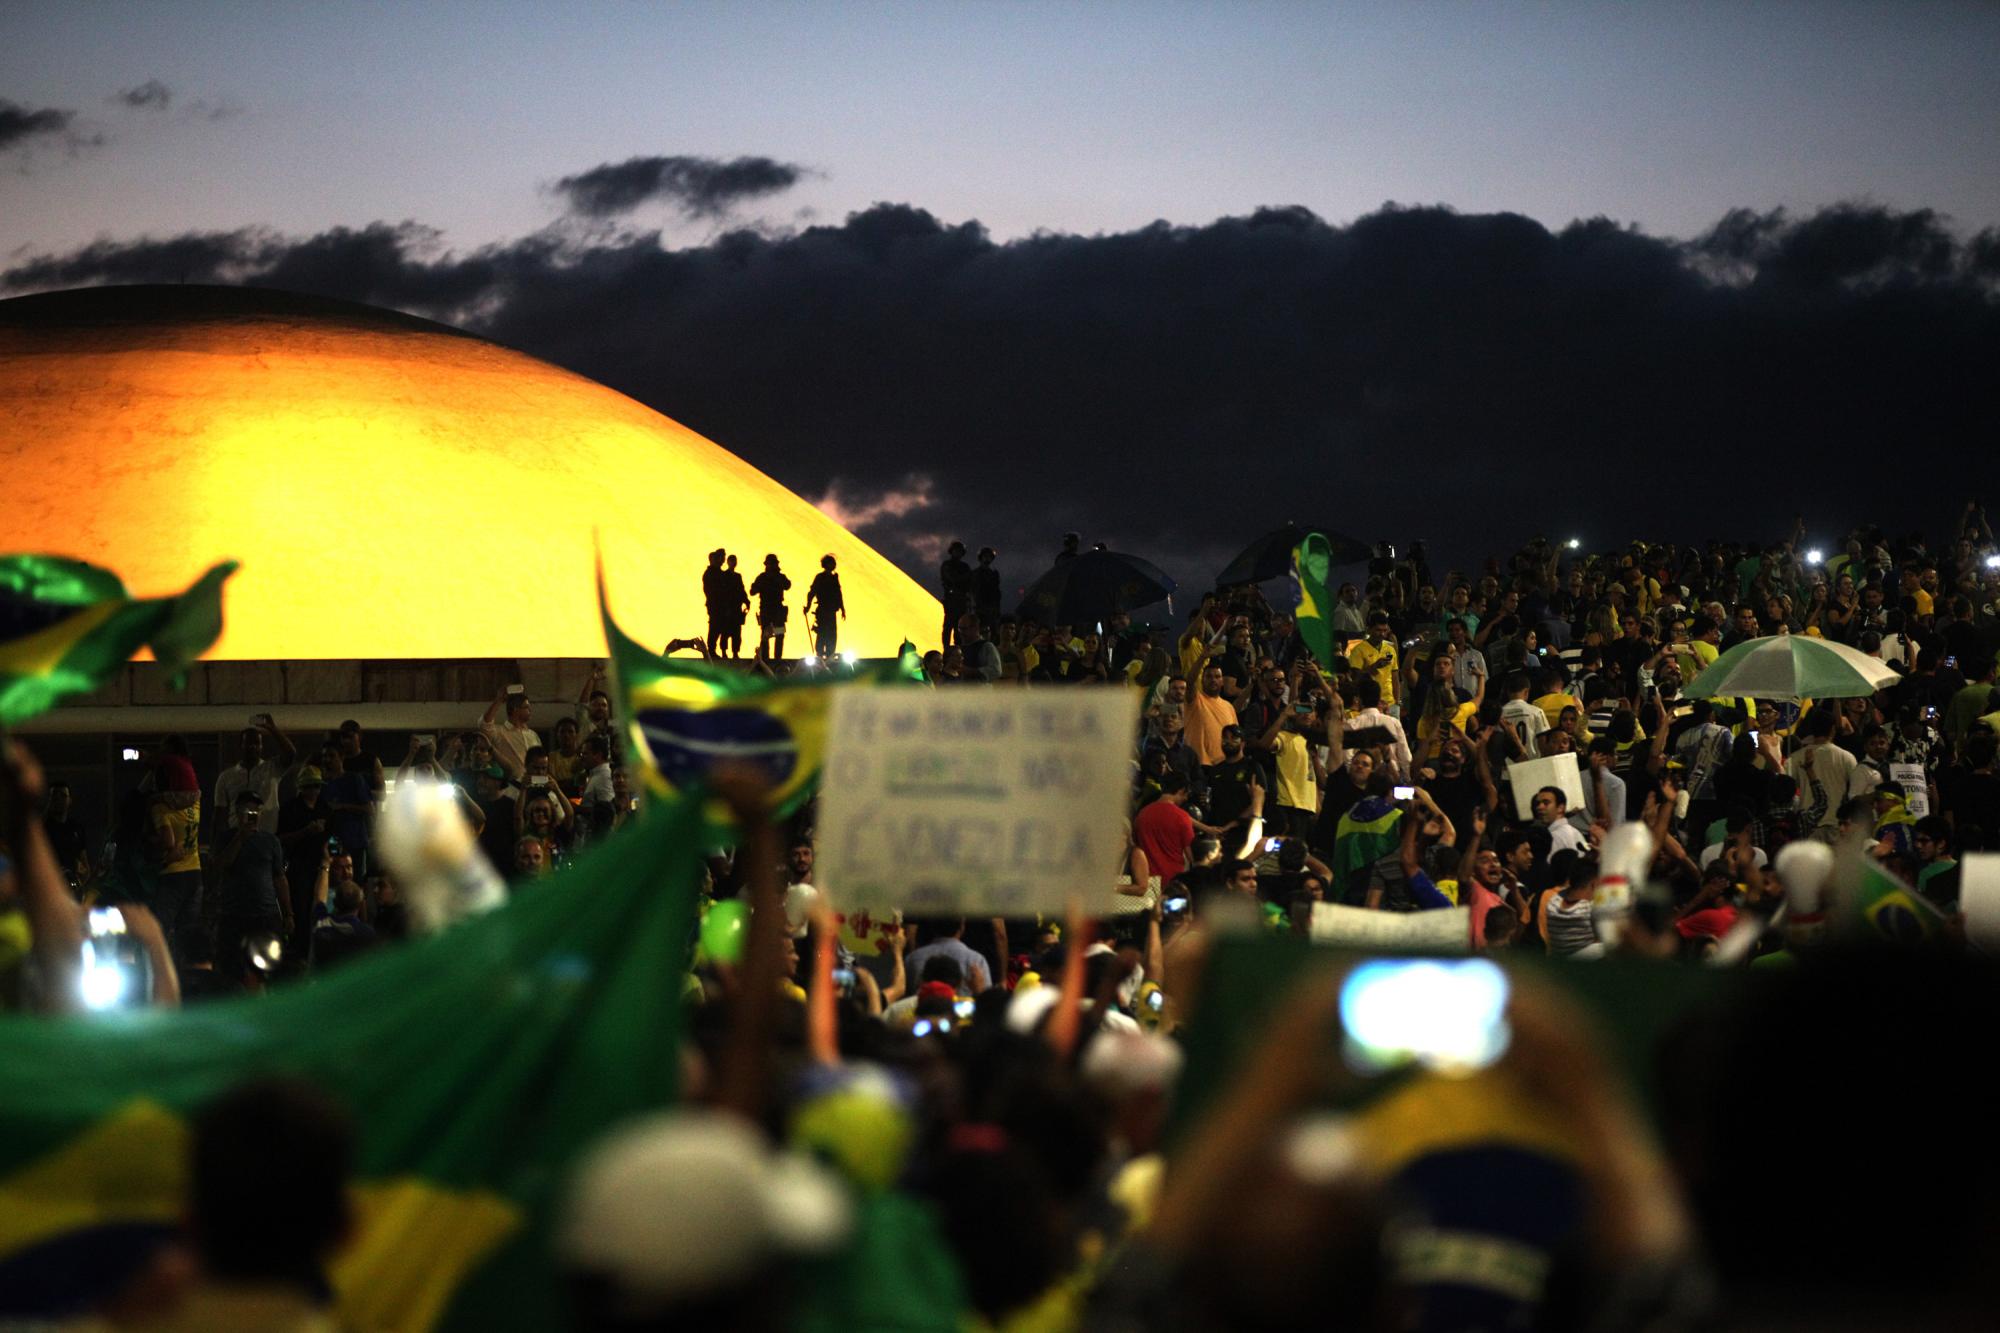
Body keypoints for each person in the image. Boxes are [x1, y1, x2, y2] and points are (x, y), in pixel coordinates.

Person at [212, 791, 290, 989]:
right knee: (232, 970)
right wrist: (241, 836)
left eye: (256, 810)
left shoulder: (270, 841)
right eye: (248, 810)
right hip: (234, 915)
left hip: (265, 914)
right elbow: (220, 866)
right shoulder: (226, 838)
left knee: (269, 966)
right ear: (237, 813)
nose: (253, 814)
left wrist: (288, 913)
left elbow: (280, 878)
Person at [213, 714, 295, 834]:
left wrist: (272, 729)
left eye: (257, 743)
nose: (253, 747)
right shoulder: (226, 777)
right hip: (236, 839)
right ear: (241, 745)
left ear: (262, 746)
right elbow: (220, 813)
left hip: (265, 837)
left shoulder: (272, 769)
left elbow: (291, 754)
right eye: (248, 743)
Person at [750, 554, 792, 661]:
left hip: (776, 609)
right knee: (766, 635)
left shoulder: (778, 577)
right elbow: (753, 591)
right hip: (767, 609)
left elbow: (787, 585)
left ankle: (776, 658)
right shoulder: (763, 577)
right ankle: (766, 658)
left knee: (778, 634)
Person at [803, 554, 845, 660]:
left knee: (831, 634)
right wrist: (808, 606)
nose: (834, 565)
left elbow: (838, 594)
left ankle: (829, 655)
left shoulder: (834, 578)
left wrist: (842, 608)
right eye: (832, 562)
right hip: (823, 611)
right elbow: (812, 592)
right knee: (822, 633)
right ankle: (820, 656)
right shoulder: (820, 577)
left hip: (831, 611)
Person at [939, 540, 972, 648]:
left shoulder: (965, 566)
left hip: (961, 601)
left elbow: (969, 582)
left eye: (959, 551)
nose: (957, 553)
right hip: (951, 600)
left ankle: (959, 649)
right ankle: (946, 649)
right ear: (951, 551)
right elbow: (951, 578)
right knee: (948, 627)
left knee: (960, 628)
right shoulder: (947, 565)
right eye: (956, 551)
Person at [702, 548, 731, 658]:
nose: (722, 560)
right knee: (715, 627)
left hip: (722, 606)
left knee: (722, 628)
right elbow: (711, 591)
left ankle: (718, 651)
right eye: (720, 558)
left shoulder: (721, 574)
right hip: (715, 606)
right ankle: (711, 650)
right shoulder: (710, 573)